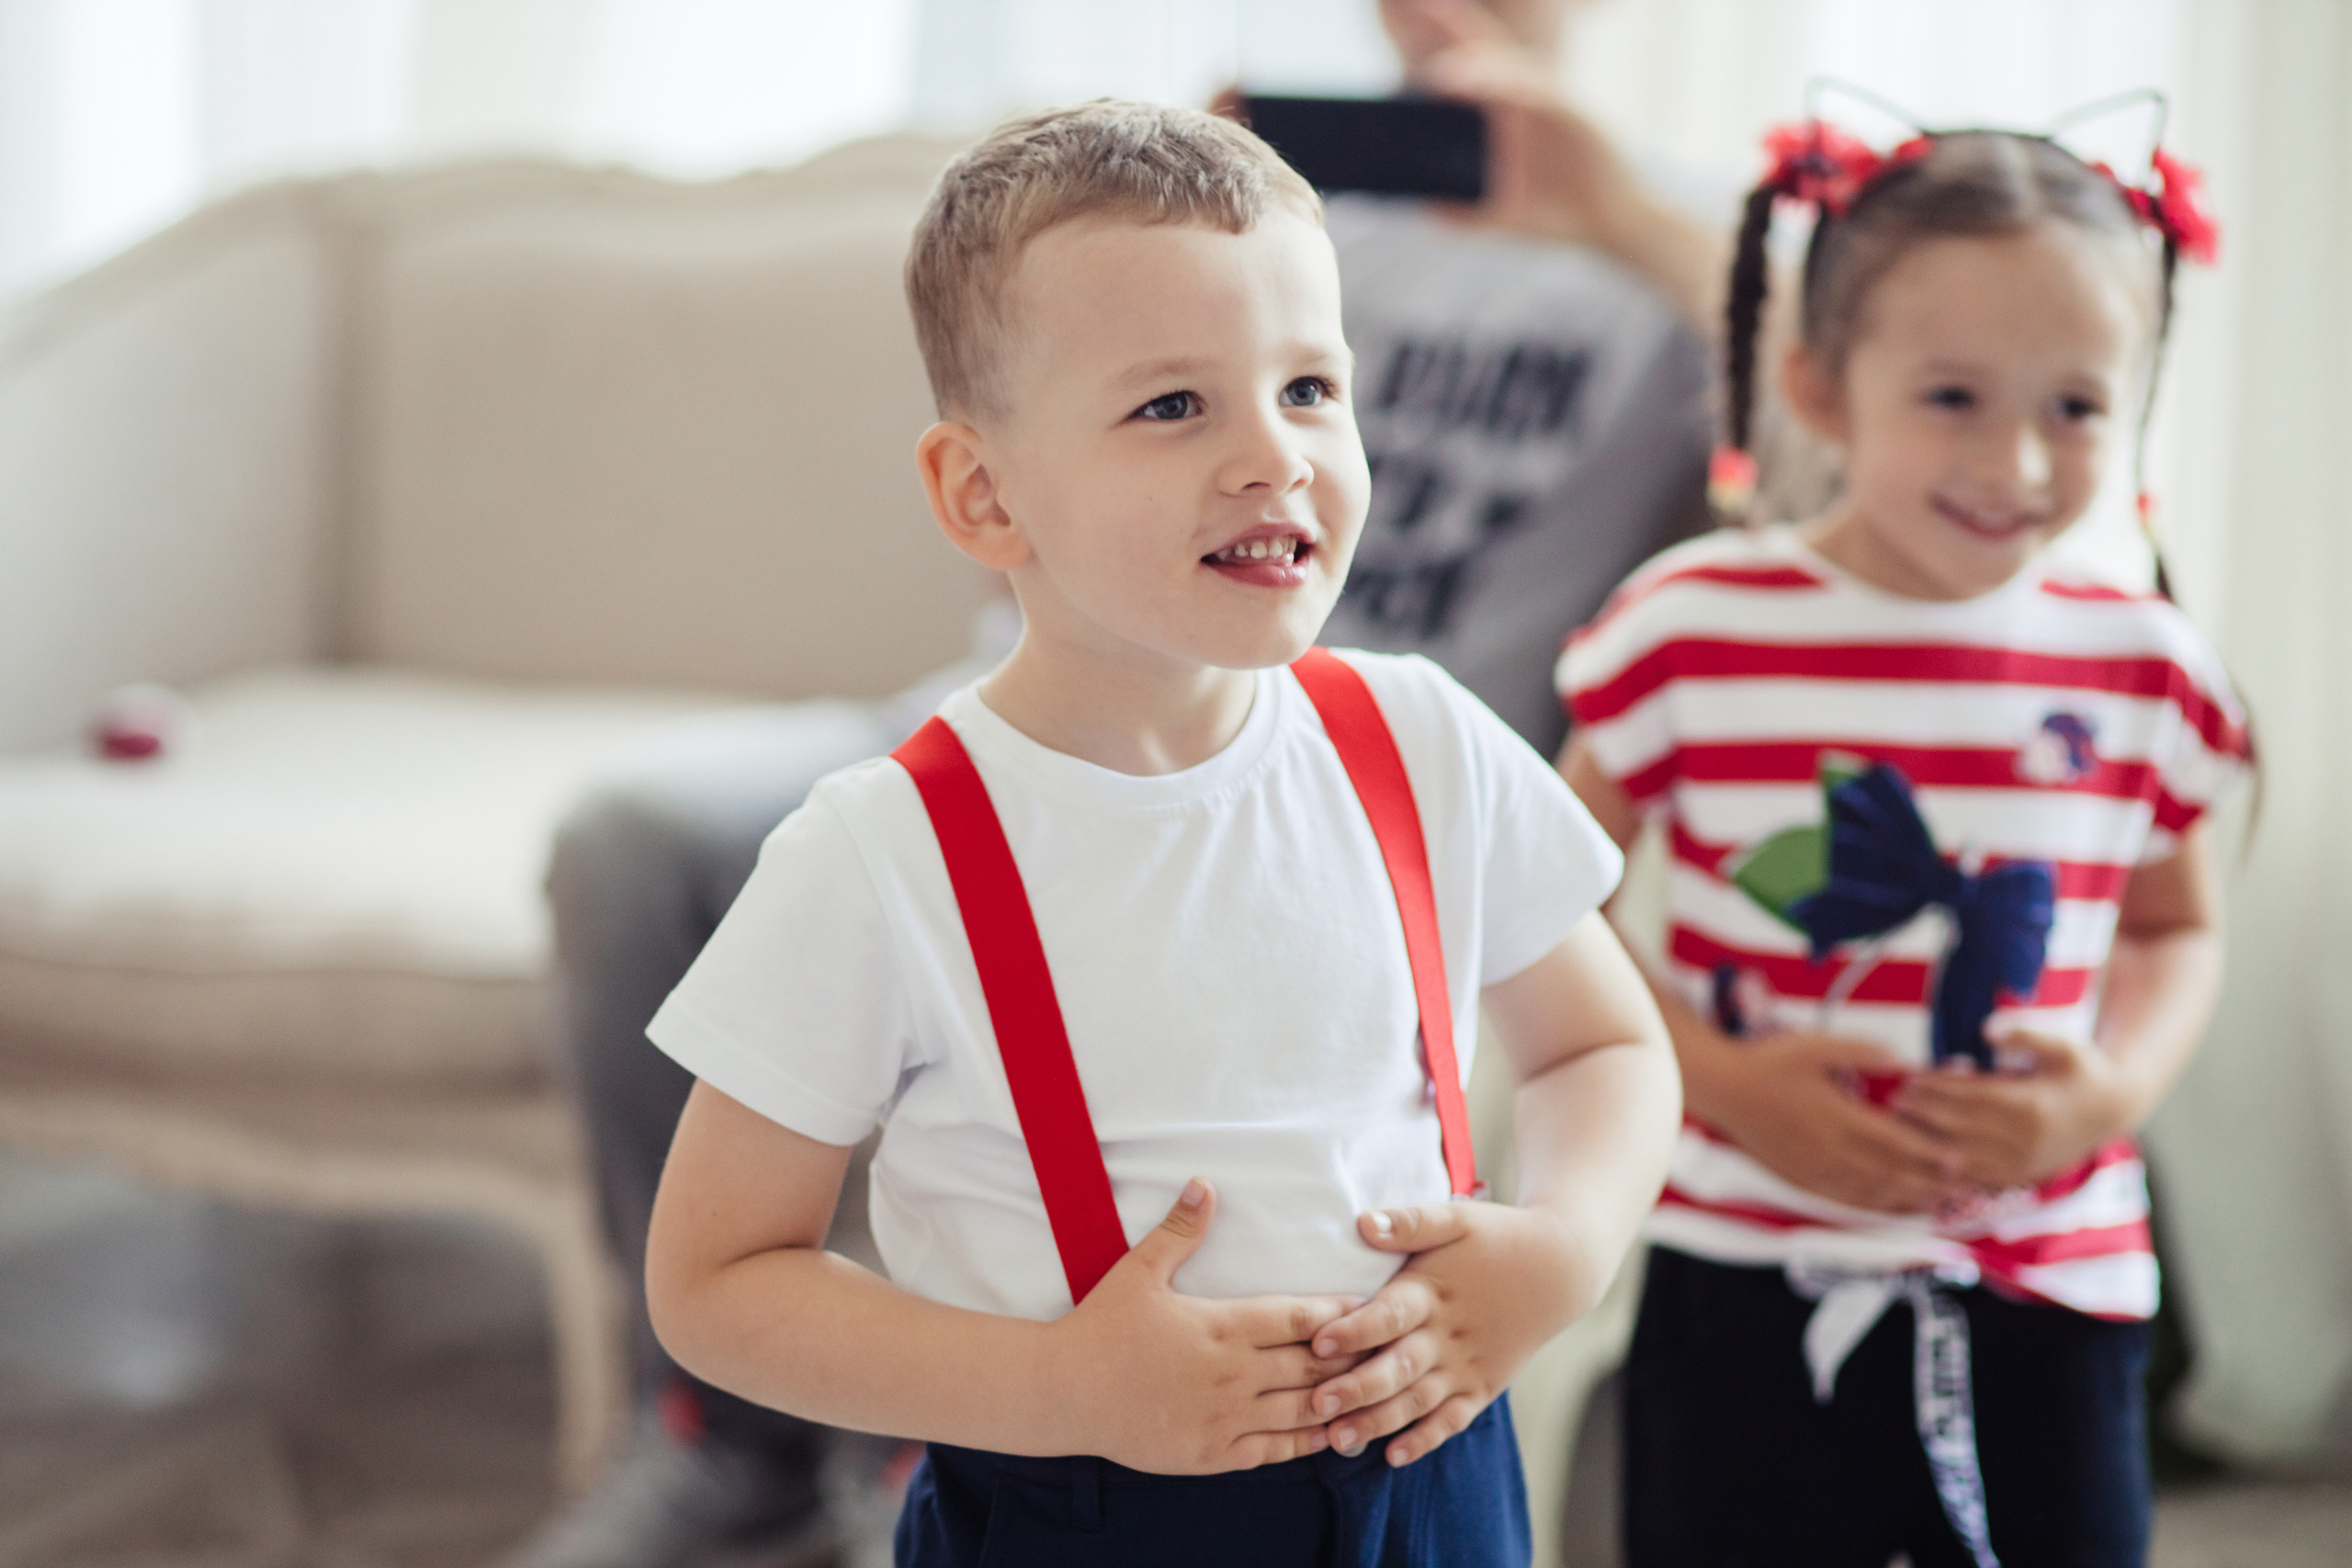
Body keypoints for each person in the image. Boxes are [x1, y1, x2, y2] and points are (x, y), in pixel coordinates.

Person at [507, 4, 1719, 1563]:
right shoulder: (885, 853)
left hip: (1434, 1498)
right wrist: (1050, 1387)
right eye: (1172, 404)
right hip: (1071, 1510)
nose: (1274, 457)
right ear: (982, 491)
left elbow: (1600, 1053)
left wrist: (1562, 1249)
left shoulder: (1420, 743)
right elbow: (718, 1278)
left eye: (1311, 391)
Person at [1556, 120, 2247, 1567]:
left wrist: (2100, 1095)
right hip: (1740, 1254)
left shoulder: (2146, 666)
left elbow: (2176, 928)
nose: (2015, 459)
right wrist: (1729, 1080)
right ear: (1819, 383)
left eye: (2074, 406)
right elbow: (1547, 909)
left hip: (2051, 1280)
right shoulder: (1689, 630)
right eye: (1952, 396)